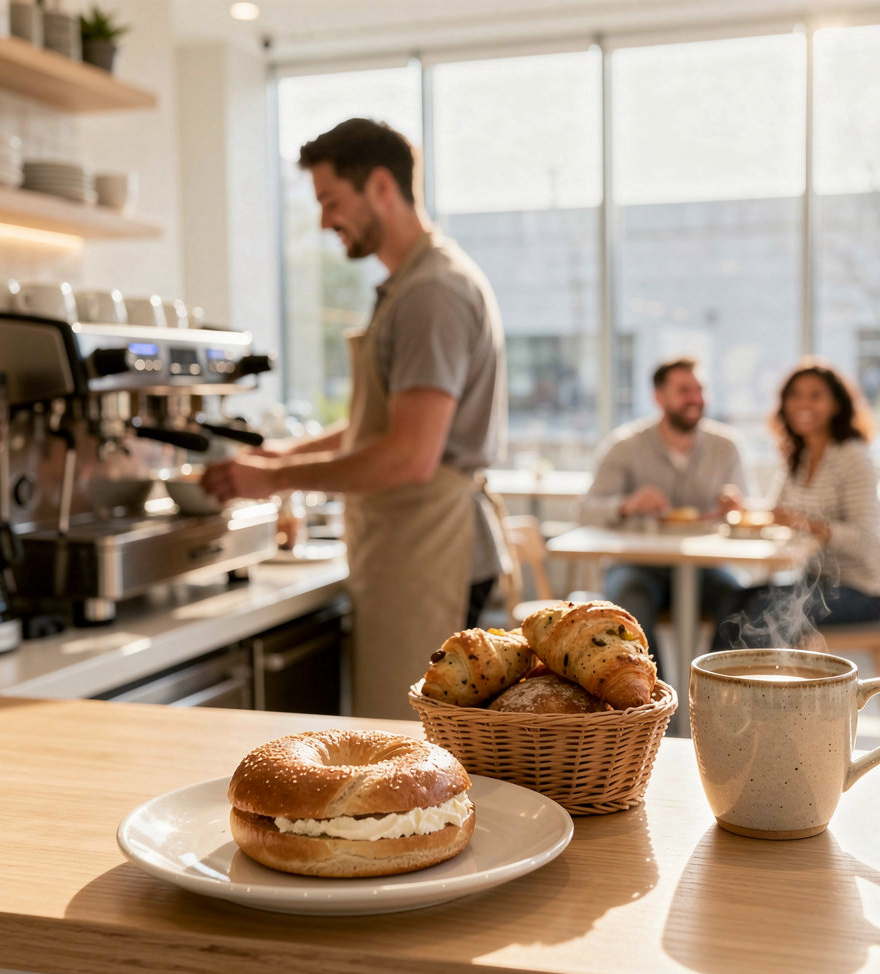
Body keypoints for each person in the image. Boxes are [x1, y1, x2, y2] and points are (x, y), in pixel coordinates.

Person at [202, 117, 508, 720]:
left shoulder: (432, 293)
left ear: (381, 187)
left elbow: (410, 455)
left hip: (433, 552)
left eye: (331, 201)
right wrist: (283, 455)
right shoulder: (412, 284)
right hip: (412, 547)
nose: (323, 222)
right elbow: (384, 425)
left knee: (414, 747)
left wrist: (274, 479)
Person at [712, 358, 880, 651]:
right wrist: (743, 509)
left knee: (764, 611)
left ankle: (751, 681)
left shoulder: (853, 457)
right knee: (734, 599)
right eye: (795, 395)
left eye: (815, 396)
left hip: (864, 591)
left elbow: (865, 540)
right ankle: (714, 681)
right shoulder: (798, 455)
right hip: (815, 582)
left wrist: (810, 525)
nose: (803, 404)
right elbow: (778, 514)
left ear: (836, 404)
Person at [578, 356, 749, 677]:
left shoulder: (726, 447)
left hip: (707, 568)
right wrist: (627, 505)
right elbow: (586, 510)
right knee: (628, 606)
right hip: (637, 565)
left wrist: (733, 510)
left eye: (700, 389)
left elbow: (745, 513)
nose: (695, 398)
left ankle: (715, 693)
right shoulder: (625, 446)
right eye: (684, 390)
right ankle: (655, 698)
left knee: (742, 602)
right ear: (659, 397)